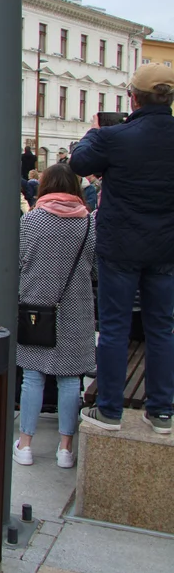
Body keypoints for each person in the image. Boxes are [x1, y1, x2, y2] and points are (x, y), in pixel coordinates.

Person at [72, 63, 174, 434]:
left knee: (114, 327)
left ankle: (110, 409)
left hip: (120, 248)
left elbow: (80, 162)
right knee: (163, 328)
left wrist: (96, 132)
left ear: (133, 97)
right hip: (166, 248)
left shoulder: (115, 137)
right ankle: (162, 410)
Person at [14, 164, 96, 469]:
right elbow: (95, 267)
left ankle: (25, 445)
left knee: (33, 377)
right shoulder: (88, 223)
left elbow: (18, 261)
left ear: (45, 185)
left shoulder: (32, 221)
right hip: (76, 307)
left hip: (36, 305)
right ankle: (65, 448)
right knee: (70, 378)